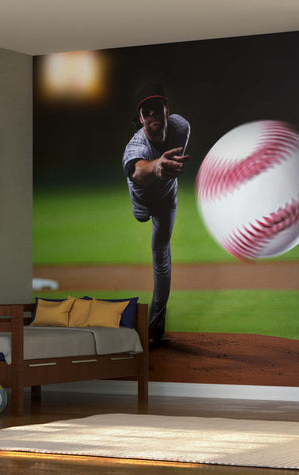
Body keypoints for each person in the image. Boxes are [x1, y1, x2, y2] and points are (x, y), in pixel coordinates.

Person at [121, 83, 190, 346]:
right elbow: (138, 171)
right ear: (139, 118)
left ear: (166, 109)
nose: (153, 115)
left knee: (160, 255)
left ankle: (155, 326)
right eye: (146, 112)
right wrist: (158, 166)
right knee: (141, 217)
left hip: (166, 200)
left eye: (156, 109)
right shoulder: (134, 147)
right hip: (142, 201)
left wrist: (165, 171)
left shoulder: (181, 127)